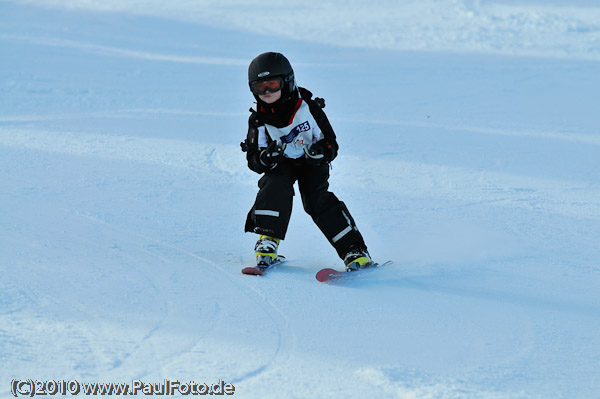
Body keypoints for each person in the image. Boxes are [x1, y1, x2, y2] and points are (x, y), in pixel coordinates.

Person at [241, 52, 371, 271]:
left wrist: (321, 152)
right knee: (274, 185)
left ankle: (354, 250)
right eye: (260, 87)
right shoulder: (257, 119)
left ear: (288, 81)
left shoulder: (308, 107)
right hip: (281, 163)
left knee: (316, 199)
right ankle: (268, 241)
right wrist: (266, 158)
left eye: (272, 84)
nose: (267, 92)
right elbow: (254, 160)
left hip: (311, 162)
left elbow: (331, 143)